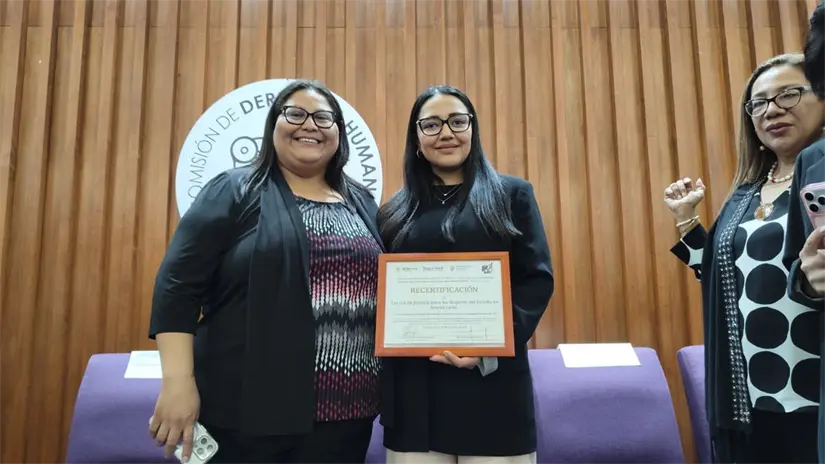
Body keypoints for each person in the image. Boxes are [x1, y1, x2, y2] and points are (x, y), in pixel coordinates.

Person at [146, 80, 384, 464]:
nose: (310, 124)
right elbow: (177, 286)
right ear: (273, 126)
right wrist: (177, 383)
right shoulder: (233, 189)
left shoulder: (363, 202)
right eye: (295, 114)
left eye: (324, 117)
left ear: (339, 132)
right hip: (245, 414)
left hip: (346, 415)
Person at [376, 85, 554, 464]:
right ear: (417, 137)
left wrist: (489, 346)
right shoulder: (393, 212)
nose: (446, 132)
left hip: (493, 386)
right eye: (431, 124)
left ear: (472, 130)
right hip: (414, 393)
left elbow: (536, 280)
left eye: (458, 121)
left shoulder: (512, 196)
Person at [664, 53, 825, 463]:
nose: (772, 109)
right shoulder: (746, 194)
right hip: (751, 392)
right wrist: (687, 223)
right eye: (759, 103)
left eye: (789, 95)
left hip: (813, 386)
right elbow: (722, 281)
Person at [782, 3, 825, 463]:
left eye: (787, 95)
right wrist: (811, 276)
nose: (772, 111)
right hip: (777, 358)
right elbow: (795, 267)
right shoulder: (814, 162)